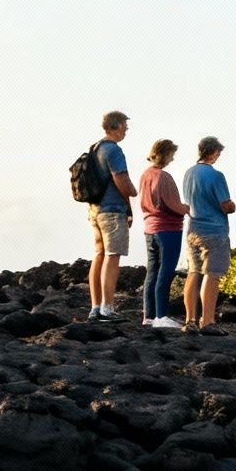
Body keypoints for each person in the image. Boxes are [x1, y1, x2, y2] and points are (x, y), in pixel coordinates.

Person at [86, 111, 139, 323]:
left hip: (95, 209)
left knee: (99, 254)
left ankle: (95, 307)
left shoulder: (95, 148)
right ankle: (107, 308)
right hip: (111, 210)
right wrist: (133, 193)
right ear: (116, 126)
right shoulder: (114, 150)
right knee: (113, 254)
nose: (126, 130)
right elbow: (121, 180)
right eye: (125, 126)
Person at [181, 136, 236, 336]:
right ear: (213, 152)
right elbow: (225, 205)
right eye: (218, 153)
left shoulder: (189, 173)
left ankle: (190, 320)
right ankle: (208, 321)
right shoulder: (216, 176)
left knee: (193, 272)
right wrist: (232, 206)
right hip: (214, 230)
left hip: (193, 228)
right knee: (212, 275)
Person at [138, 139, 188, 329]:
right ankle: (161, 315)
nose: (173, 158)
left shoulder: (145, 175)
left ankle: (149, 315)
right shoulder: (163, 177)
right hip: (168, 229)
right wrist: (186, 208)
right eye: (172, 154)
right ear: (166, 154)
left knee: (152, 272)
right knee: (166, 271)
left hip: (149, 228)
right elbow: (172, 204)